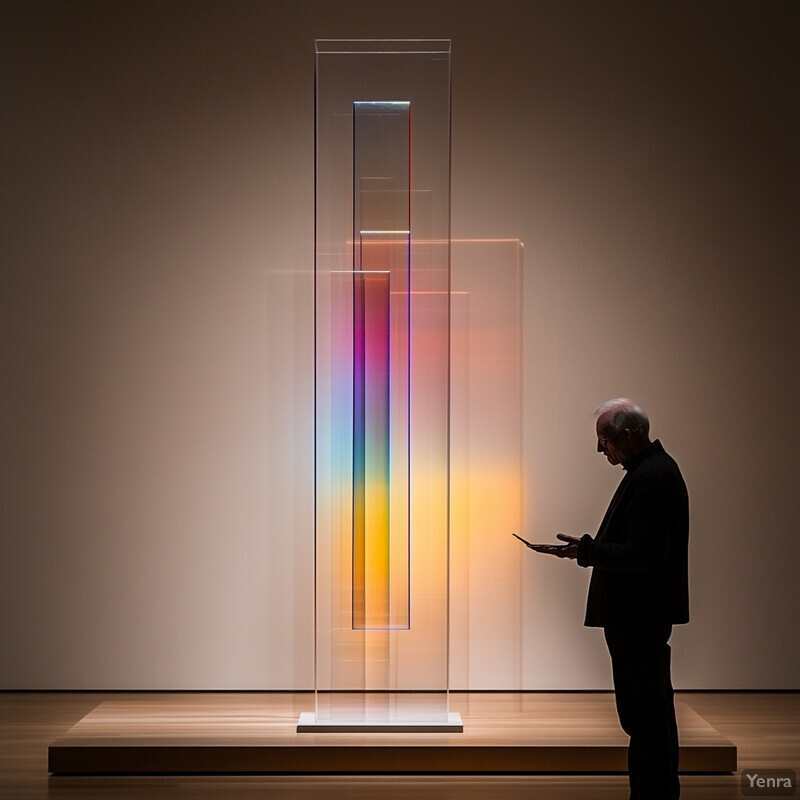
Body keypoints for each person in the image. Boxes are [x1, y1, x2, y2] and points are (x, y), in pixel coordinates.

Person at [535, 398, 689, 800]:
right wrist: (586, 550)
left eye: (605, 442)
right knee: (647, 712)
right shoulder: (648, 471)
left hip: (638, 616)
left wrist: (588, 551)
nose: (602, 451)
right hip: (638, 616)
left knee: (647, 716)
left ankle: (653, 795)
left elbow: (645, 555)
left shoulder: (653, 476)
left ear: (628, 435)